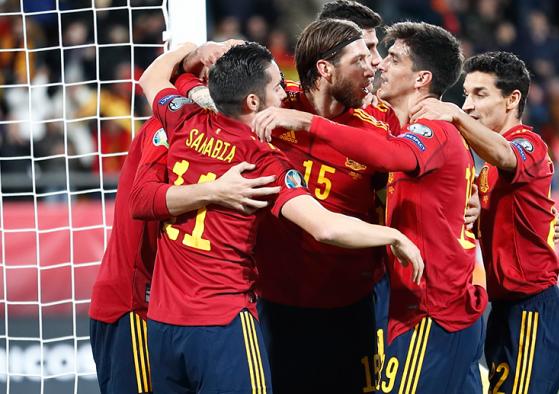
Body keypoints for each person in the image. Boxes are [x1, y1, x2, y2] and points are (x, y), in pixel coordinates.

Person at [136, 41, 423, 394]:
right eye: (276, 87)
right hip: (223, 320)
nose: (284, 95)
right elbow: (326, 227)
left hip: (164, 322)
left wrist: (193, 50)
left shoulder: (184, 118)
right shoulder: (263, 161)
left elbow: (152, 77)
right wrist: (394, 236)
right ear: (253, 103)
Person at [254, 22, 489, 393]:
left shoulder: (433, 128)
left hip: (432, 308)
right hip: (418, 307)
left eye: (392, 58)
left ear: (421, 78)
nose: (379, 65)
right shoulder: (406, 130)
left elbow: (394, 155)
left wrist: (309, 122)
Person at [88, 84, 280, 393]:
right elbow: (141, 199)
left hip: (168, 308)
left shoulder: (217, 136)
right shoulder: (167, 127)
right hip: (133, 305)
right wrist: (216, 190)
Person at [410, 51, 559, 394]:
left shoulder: (529, 144)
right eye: (466, 95)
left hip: (534, 310)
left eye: (480, 94)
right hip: (504, 310)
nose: (468, 105)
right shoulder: (487, 174)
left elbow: (504, 154)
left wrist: (454, 117)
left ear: (512, 99)